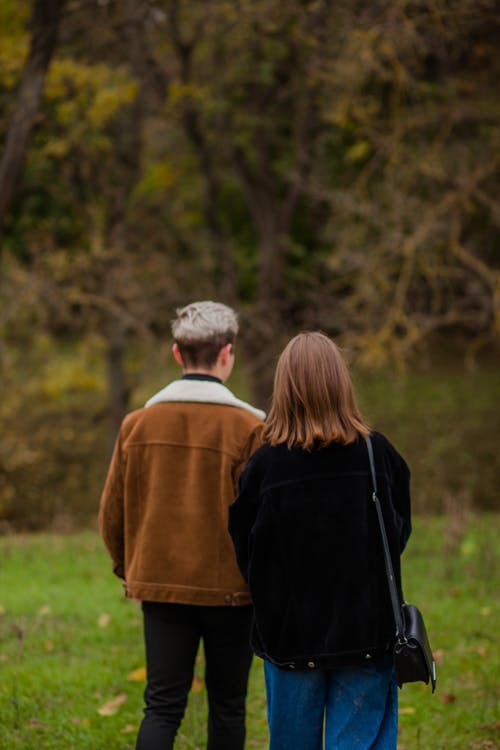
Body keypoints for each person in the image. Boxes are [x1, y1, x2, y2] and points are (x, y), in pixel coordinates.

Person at [229, 332, 411, 750]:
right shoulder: (376, 453)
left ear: (284, 388)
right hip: (367, 631)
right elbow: (397, 530)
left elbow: (246, 551)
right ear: (341, 383)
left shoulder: (265, 465)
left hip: (290, 637)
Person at [99, 301, 265, 750]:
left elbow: (111, 514)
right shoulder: (251, 428)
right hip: (233, 591)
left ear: (177, 354)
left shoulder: (136, 424)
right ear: (228, 353)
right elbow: (262, 520)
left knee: (162, 706)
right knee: (229, 705)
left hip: (160, 585)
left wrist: (130, 569)